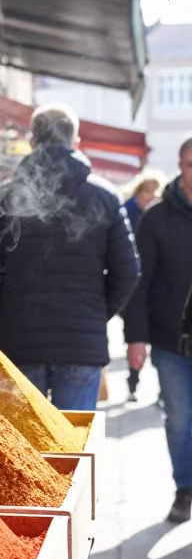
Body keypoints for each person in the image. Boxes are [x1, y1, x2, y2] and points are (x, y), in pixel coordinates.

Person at [0, 104, 140, 410]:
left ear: (32, 143)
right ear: (76, 142)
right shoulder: (105, 197)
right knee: (71, 451)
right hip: (81, 344)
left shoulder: (3, 197)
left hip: (21, 341)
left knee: (25, 452)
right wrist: (94, 312)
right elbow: (128, 272)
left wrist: (10, 305)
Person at [125, 138, 192, 524]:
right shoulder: (157, 218)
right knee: (180, 421)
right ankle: (184, 488)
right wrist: (136, 337)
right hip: (171, 342)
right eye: (188, 163)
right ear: (179, 165)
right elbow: (140, 282)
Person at [122, 170, 164, 400]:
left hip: (158, 290)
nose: (152, 195)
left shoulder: (161, 215)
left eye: (155, 191)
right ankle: (132, 383)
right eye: (148, 190)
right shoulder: (128, 211)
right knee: (136, 337)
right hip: (136, 282)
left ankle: (163, 392)